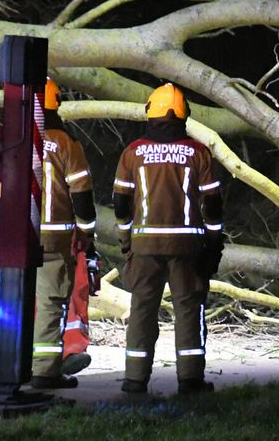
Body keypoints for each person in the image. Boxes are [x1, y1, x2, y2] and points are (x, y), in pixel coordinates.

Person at [0, 77, 99, 388]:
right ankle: (45, 371)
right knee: (48, 303)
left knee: (8, 301)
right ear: (54, 106)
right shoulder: (66, 144)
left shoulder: (4, 139)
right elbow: (81, 194)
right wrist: (87, 235)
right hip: (53, 241)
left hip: (10, 235)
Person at [113, 83, 224, 395]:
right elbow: (212, 203)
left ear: (151, 112)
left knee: (142, 309)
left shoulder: (132, 152)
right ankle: (190, 380)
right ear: (183, 114)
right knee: (189, 309)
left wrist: (126, 239)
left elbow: (121, 202)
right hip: (187, 247)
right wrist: (213, 244)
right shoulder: (198, 152)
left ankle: (134, 379)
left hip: (145, 245)